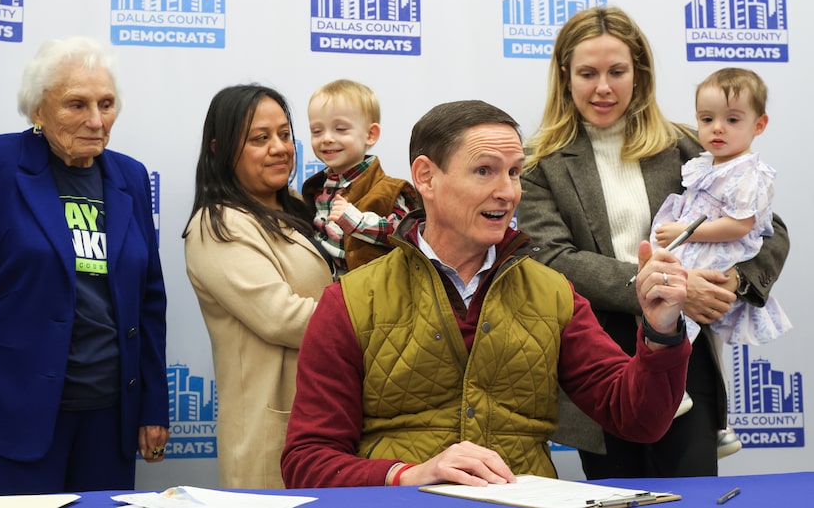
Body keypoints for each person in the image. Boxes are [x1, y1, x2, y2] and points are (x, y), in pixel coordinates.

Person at [281, 99, 692, 489]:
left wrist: (662, 330)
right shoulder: (350, 300)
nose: (508, 192)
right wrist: (407, 474)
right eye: (485, 171)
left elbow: (639, 419)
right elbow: (306, 460)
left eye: (514, 172)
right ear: (425, 177)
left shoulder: (553, 293)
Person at [518, 7, 789, 478]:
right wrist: (663, 286)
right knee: (616, 493)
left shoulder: (689, 147)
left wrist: (732, 280)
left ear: (638, 73)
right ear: (565, 77)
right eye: (588, 73)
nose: (603, 87)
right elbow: (551, 257)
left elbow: (767, 227)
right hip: (596, 354)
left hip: (684, 350)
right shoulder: (538, 163)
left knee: (692, 492)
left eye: (617, 72)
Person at [0, 36, 169, 493]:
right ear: (37, 109)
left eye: (106, 104)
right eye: (75, 104)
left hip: (109, 416)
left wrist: (152, 407)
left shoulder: (129, 176)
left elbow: (149, 299)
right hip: (12, 411)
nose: (95, 120)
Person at [183, 84, 334, 488]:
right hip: (269, 431)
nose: (280, 148)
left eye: (285, 134)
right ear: (220, 148)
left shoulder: (298, 209)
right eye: (260, 139)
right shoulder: (217, 225)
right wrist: (374, 319)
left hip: (325, 415)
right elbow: (282, 318)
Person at [650, 68, 792, 455]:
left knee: (687, 323)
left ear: (758, 124)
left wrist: (685, 231)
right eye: (707, 119)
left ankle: (678, 393)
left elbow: (741, 225)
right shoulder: (708, 162)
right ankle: (720, 425)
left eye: (732, 120)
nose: (717, 129)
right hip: (699, 244)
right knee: (687, 327)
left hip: (721, 252)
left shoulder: (749, 173)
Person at [302, 79, 418, 274]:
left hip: (371, 294)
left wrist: (357, 221)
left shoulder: (389, 190)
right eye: (317, 131)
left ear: (370, 135)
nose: (327, 138)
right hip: (327, 290)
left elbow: (407, 235)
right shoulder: (317, 188)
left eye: (340, 129)